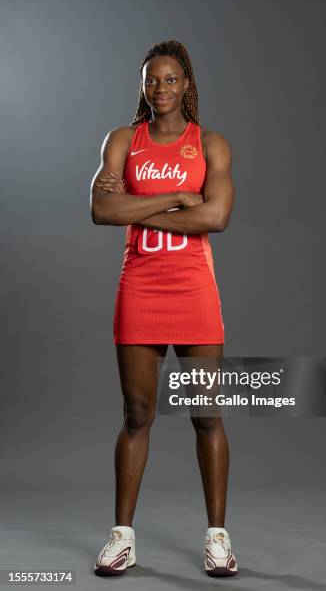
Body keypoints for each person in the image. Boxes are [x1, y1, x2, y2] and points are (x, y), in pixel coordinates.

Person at [90, 39, 237, 578]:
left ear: (187, 85)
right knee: (136, 415)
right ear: (143, 88)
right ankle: (121, 538)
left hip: (195, 290)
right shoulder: (124, 140)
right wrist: (178, 199)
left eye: (171, 79)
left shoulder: (211, 144)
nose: (161, 88)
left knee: (206, 415)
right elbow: (100, 209)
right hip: (141, 288)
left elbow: (216, 219)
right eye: (152, 80)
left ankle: (217, 538)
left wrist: (136, 207)